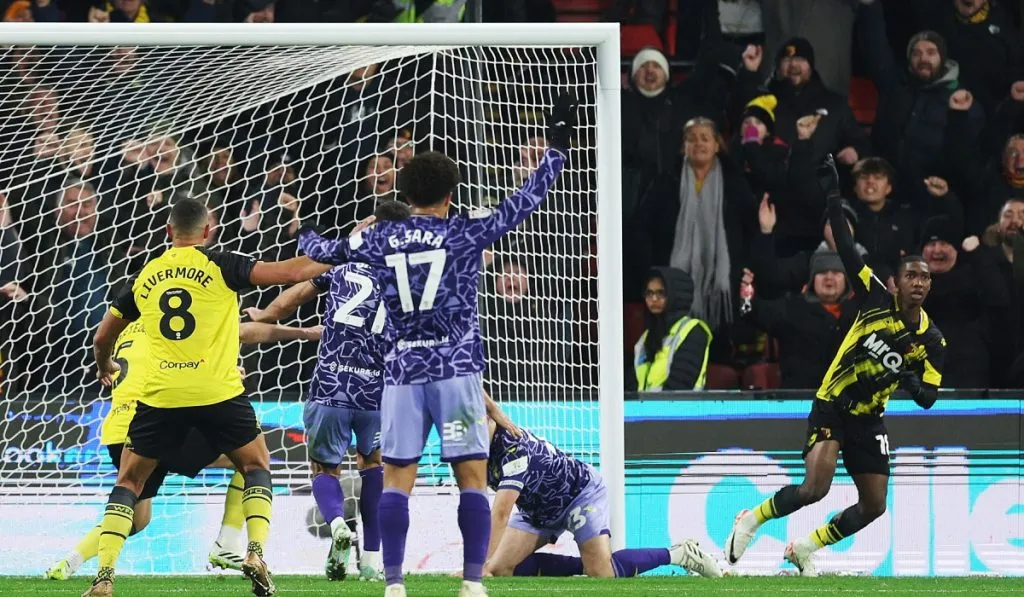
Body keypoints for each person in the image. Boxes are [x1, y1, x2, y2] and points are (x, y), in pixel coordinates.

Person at [297, 93, 579, 597]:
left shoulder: (378, 239)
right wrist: (556, 146)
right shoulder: (466, 231)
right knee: (472, 478)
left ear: (406, 195)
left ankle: (394, 583)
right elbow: (527, 199)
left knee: (397, 477)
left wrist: (307, 225)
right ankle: (472, 583)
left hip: (402, 374)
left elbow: (321, 251)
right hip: (455, 368)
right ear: (451, 193)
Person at [84, 198, 333, 597]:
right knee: (255, 464)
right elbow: (294, 271)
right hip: (218, 391)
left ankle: (104, 578)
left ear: (168, 232)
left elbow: (102, 337)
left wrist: (104, 366)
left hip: (162, 396)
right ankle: (253, 551)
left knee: (129, 481)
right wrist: (345, 253)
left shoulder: (146, 275)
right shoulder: (222, 265)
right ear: (208, 232)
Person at [724, 155, 946, 576]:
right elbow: (845, 247)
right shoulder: (876, 296)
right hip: (832, 404)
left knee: (875, 505)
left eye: (925, 277)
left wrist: (912, 382)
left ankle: (805, 547)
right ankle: (750, 519)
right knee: (814, 489)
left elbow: (930, 398)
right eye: (911, 276)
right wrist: (832, 194)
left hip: (870, 420)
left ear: (930, 285)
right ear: (897, 282)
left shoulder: (933, 342)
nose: (918, 282)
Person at [45, 319, 322, 581]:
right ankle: (226, 543)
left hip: (118, 430)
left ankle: (70, 562)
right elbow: (215, 346)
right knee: (250, 461)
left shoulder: (127, 329)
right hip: (159, 420)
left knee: (137, 518)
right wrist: (224, 373)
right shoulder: (174, 323)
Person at [244, 201, 411, 581]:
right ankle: (371, 559)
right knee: (372, 464)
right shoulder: (408, 276)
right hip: (378, 390)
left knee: (323, 467)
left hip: (332, 383)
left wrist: (265, 315)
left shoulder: (343, 262)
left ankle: (337, 524)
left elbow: (293, 297)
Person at [483, 417, 722, 579]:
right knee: (500, 568)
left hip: (578, 495)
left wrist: (476, 566)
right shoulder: (473, 452)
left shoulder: (513, 449)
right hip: (538, 510)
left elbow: (501, 512)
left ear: (488, 418)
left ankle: (679, 553)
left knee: (603, 573)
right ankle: (584, 565)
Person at [632, 267, 712, 391]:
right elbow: (633, 382)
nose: (653, 299)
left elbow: (680, 386)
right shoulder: (647, 336)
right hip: (643, 408)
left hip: (681, 409)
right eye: (649, 293)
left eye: (661, 293)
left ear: (677, 296)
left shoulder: (693, 331)